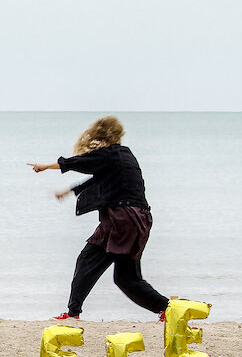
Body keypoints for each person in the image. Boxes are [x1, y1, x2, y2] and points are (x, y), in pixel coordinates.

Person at [29, 116, 169, 321]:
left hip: (123, 220)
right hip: (134, 221)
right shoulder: (122, 156)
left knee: (88, 260)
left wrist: (45, 166)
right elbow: (98, 178)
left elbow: (79, 162)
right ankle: (168, 308)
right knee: (126, 278)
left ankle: (73, 313)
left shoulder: (112, 153)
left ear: (103, 139)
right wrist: (69, 191)